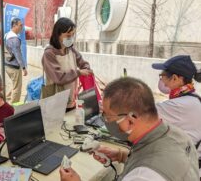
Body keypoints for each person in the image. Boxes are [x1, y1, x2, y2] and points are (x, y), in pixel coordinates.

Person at [60, 77, 199, 181]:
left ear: (131, 120)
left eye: (108, 117)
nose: (106, 122)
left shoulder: (143, 176)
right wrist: (121, 155)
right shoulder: (178, 134)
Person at [152, 55, 201, 174]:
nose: (161, 80)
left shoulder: (179, 105)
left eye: (162, 76)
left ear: (175, 78)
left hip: (186, 169)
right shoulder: (193, 98)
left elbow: (143, 113)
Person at [42, 17, 92, 110]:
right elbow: (59, 78)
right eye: (68, 35)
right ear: (58, 34)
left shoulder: (71, 50)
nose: (71, 38)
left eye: (72, 35)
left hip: (71, 99)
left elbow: (82, 62)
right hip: (55, 101)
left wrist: (86, 68)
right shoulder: (49, 53)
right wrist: (79, 72)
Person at [4, 18, 27, 103]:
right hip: (14, 67)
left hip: (7, 65)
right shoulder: (14, 39)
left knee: (15, 84)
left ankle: (7, 98)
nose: (22, 27)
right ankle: (13, 108)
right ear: (14, 25)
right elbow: (18, 54)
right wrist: (23, 68)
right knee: (17, 88)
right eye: (20, 25)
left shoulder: (6, 35)